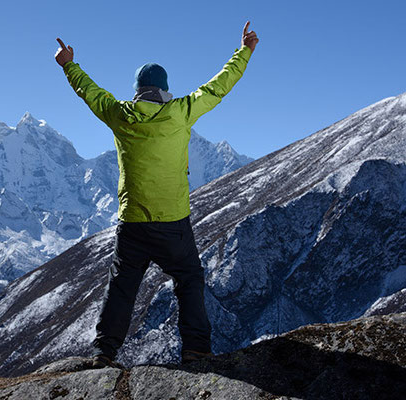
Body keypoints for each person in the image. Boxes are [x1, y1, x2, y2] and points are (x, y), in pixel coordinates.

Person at [54, 22, 259, 367]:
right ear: (165, 89)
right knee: (189, 280)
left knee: (122, 287)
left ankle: (105, 352)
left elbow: (89, 91)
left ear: (137, 90)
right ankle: (196, 349)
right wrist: (245, 51)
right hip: (174, 223)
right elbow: (219, 86)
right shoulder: (181, 112)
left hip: (132, 222)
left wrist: (68, 64)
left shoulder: (120, 114)